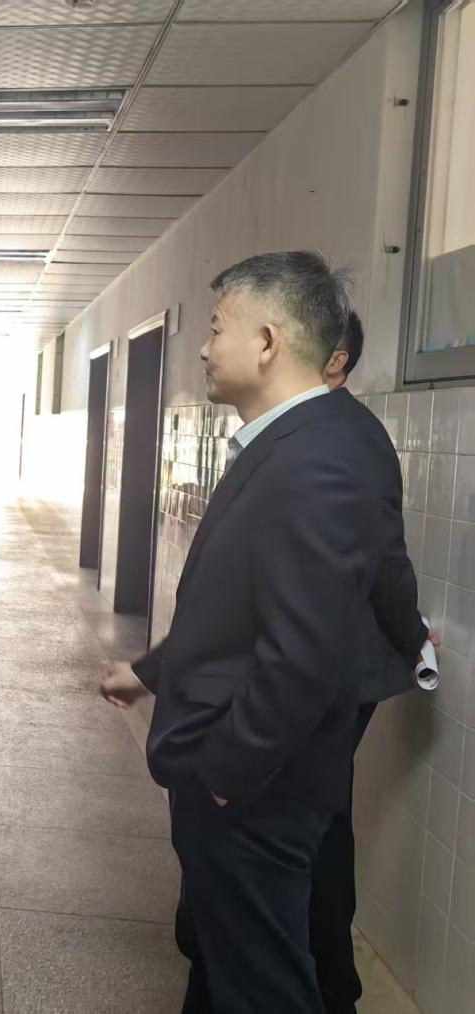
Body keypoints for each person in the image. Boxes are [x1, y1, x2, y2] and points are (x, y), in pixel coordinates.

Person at [99, 252, 429, 1013]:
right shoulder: (292, 441)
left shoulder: (318, 458)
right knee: (230, 964)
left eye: (218, 328)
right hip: (249, 767)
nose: (204, 347)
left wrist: (227, 771)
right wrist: (155, 673)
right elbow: (241, 613)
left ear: (269, 342)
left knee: (264, 984)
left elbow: (302, 652)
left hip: (255, 784)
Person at [313, 310, 436, 1014]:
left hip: (338, 670)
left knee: (319, 823)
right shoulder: (317, 427)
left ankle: (331, 986)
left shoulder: (348, 436)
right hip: (329, 663)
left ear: (334, 360)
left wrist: (412, 636)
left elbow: (384, 560)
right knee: (318, 818)